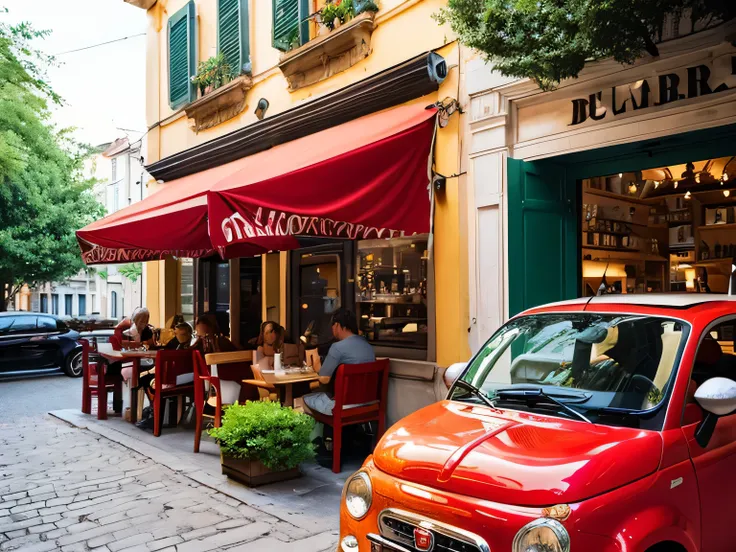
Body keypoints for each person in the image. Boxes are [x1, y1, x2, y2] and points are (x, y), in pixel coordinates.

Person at [302, 308, 375, 417]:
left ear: (337, 325)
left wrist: (316, 358)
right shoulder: (368, 346)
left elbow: (324, 379)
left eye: (332, 326)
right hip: (369, 401)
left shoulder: (337, 347)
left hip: (344, 405)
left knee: (305, 399)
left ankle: (323, 434)